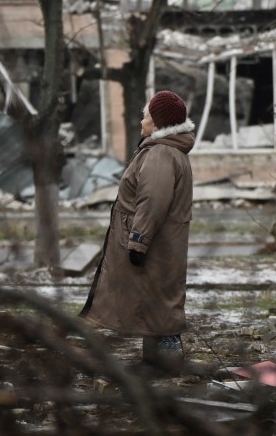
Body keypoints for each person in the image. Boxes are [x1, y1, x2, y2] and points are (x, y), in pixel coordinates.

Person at [79, 90, 195, 368]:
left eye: (145, 116)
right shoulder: (166, 151)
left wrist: (138, 241)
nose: (141, 121)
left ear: (156, 123)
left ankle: (166, 364)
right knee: (157, 300)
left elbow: (152, 201)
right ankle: (159, 362)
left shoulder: (160, 154)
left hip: (154, 243)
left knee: (157, 300)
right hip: (163, 242)